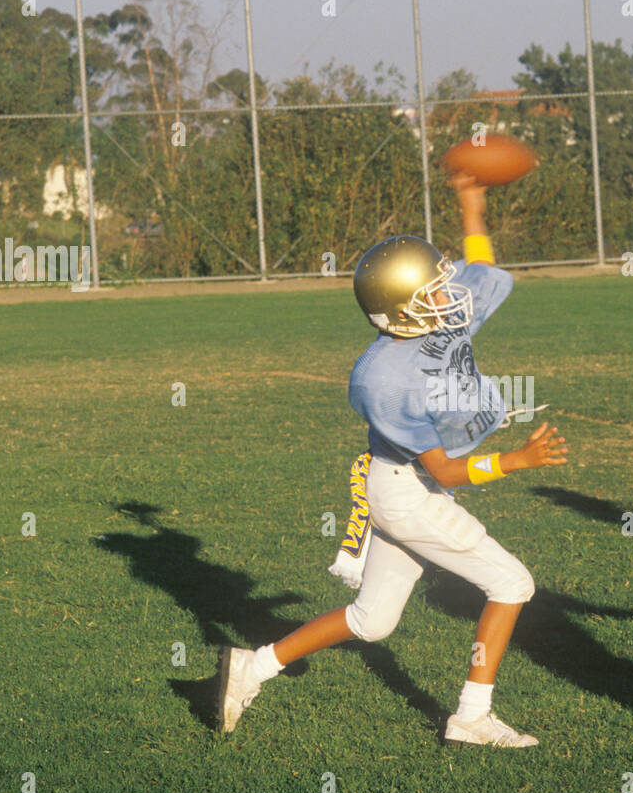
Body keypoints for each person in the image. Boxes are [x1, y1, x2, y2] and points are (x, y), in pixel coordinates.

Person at [217, 172, 568, 747]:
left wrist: (470, 204)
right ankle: (470, 717)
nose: (448, 299)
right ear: (395, 313)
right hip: (409, 493)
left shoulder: (434, 316)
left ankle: (252, 668)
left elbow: (480, 271)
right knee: (512, 583)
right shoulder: (384, 379)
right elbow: (446, 472)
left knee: (372, 620)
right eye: (431, 292)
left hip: (406, 487)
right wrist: (518, 461)